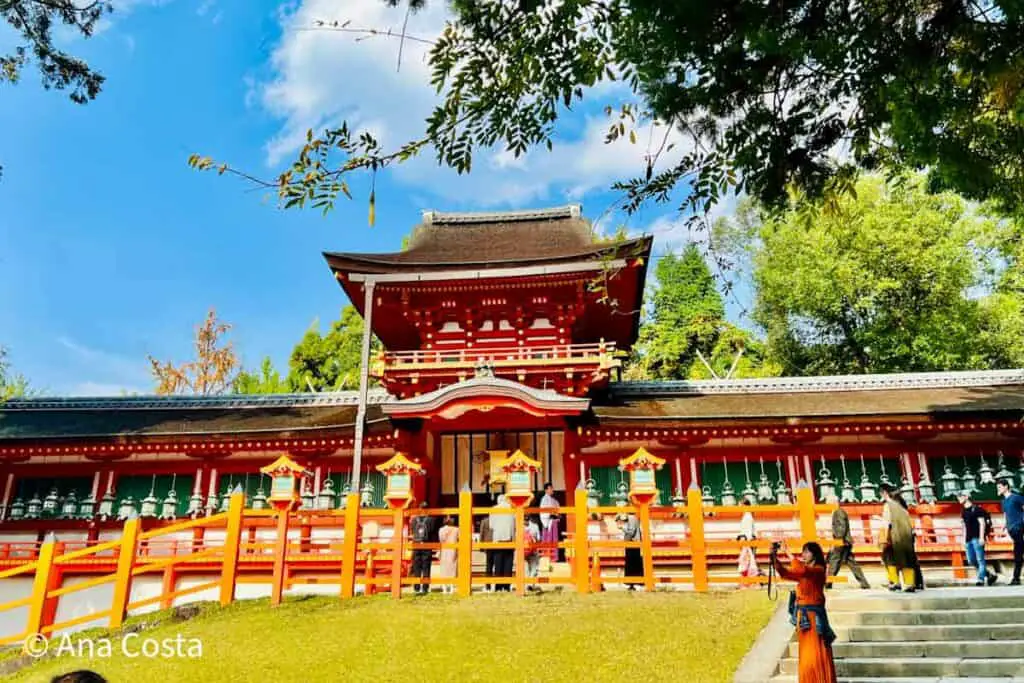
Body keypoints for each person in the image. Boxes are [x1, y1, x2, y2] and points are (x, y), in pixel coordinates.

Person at [770, 541, 838, 683]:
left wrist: (787, 553)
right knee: (806, 654)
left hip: (814, 619)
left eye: (807, 552)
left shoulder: (818, 570)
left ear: (815, 554)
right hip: (803, 618)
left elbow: (802, 570)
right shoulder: (803, 570)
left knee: (814, 653)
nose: (804, 554)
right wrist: (774, 557)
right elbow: (785, 573)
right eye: (803, 552)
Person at [825, 494, 870, 589]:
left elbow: (842, 527)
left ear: (833, 502)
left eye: (828, 502)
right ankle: (864, 583)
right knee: (851, 562)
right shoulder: (838, 512)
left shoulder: (838, 512)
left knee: (834, 561)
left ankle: (828, 583)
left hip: (842, 541)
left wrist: (837, 540)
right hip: (844, 541)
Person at [879, 483, 916, 592]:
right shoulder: (902, 507)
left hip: (894, 537)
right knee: (906, 560)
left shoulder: (888, 506)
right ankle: (910, 584)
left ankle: (895, 583)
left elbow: (886, 523)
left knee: (890, 560)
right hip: (906, 538)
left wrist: (883, 539)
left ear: (885, 493)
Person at [958, 491, 996, 586]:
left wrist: (981, 537)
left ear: (966, 497)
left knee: (980, 559)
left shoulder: (977, 509)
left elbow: (982, 523)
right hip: (968, 539)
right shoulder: (963, 511)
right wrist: (963, 539)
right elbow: (964, 527)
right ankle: (989, 574)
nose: (958, 498)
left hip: (977, 537)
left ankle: (981, 579)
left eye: (960, 496)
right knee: (971, 560)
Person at [997, 478, 1024, 585]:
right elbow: (1006, 514)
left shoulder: (1016, 497)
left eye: (999, 487)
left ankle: (1015, 578)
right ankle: (1016, 578)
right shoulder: (1003, 501)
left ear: (1006, 486)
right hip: (1011, 529)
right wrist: (1003, 526)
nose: (998, 489)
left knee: (1017, 552)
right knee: (1019, 551)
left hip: (1019, 527)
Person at [409, 501, 436, 594]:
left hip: (416, 545)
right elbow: (433, 532)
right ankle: (425, 587)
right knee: (426, 566)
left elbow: (412, 531)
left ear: (419, 508)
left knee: (417, 566)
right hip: (426, 545)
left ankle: (416, 587)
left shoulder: (414, 520)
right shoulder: (431, 520)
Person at [489, 494, 515, 590]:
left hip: (498, 538)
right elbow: (515, 523)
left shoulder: (494, 509)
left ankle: (498, 586)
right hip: (509, 538)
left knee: (498, 562)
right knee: (508, 563)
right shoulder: (512, 509)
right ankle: (507, 586)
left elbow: (491, 525)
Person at [540, 482, 561, 563]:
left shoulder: (553, 500)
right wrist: (551, 514)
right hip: (548, 521)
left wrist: (557, 515)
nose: (552, 490)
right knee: (548, 539)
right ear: (546, 490)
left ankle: (554, 557)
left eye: (552, 488)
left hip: (553, 521)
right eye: (550, 488)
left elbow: (557, 509)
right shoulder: (544, 499)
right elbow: (544, 512)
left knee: (554, 539)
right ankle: (547, 556)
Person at [438, 515, 459, 594]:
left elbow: (440, 540)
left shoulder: (441, 530)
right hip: (453, 549)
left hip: (444, 549)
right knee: (453, 568)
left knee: (444, 568)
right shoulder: (456, 529)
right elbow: (459, 538)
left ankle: (444, 588)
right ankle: (451, 588)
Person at [623, 512, 644, 590]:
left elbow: (631, 532)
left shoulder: (631, 518)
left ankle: (632, 583)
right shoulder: (634, 518)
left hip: (632, 542)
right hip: (635, 542)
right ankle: (636, 582)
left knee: (631, 563)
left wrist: (622, 528)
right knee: (635, 562)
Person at [525, 514, 542, 590]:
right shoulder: (535, 526)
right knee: (533, 568)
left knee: (525, 568)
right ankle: (531, 584)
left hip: (523, 551)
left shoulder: (519, 527)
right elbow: (538, 538)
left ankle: (526, 584)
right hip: (533, 549)